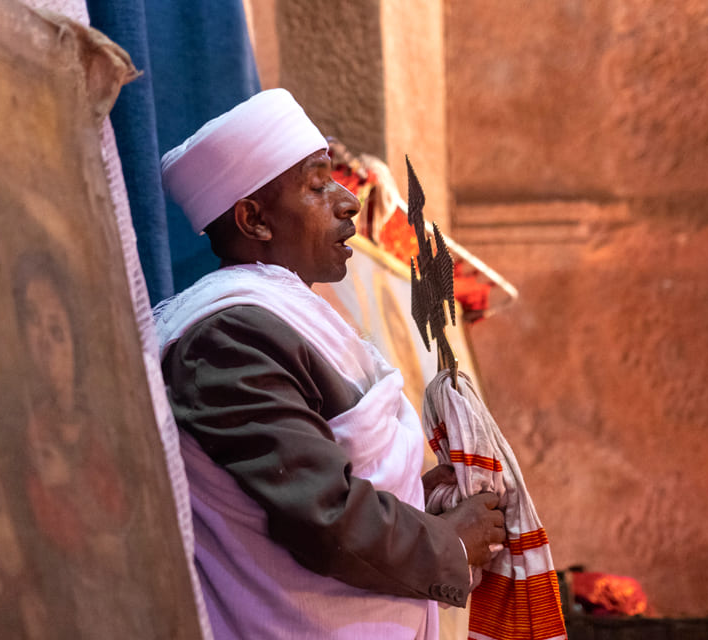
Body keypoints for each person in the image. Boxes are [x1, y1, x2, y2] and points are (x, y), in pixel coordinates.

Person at [154, 88, 505, 640]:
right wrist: (452, 542)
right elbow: (321, 516)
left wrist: (416, 499)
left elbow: (318, 479)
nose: (348, 202)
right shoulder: (228, 337)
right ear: (254, 220)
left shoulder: (278, 317)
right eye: (318, 186)